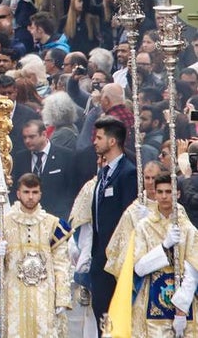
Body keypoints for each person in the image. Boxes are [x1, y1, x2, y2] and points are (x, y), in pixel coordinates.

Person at [0, 172, 72, 337]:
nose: (30, 197)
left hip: (45, 295)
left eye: (34, 192)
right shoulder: (4, 222)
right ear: (18, 194)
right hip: (14, 295)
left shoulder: (52, 224)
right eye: (26, 192)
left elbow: (61, 264)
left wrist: (61, 297)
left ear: (40, 193)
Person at [131, 174, 198, 338]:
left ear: (178, 194)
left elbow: (193, 273)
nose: (164, 196)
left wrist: (181, 311)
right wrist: (164, 246)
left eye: (169, 192)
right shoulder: (144, 227)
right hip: (150, 300)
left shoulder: (188, 229)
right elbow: (139, 268)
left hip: (182, 302)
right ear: (154, 193)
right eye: (160, 192)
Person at [89, 115, 138, 328]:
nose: (94, 142)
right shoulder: (104, 172)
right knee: (100, 311)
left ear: (112, 141)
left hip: (117, 257)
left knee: (113, 313)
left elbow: (128, 217)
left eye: (99, 137)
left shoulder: (128, 173)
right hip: (100, 254)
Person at [11, 120, 76, 220]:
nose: (27, 141)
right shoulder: (20, 158)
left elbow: (72, 189)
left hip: (56, 217)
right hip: (27, 218)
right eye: (24, 137)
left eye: (31, 137)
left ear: (44, 134)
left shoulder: (66, 156)